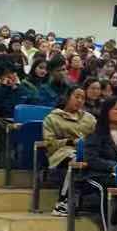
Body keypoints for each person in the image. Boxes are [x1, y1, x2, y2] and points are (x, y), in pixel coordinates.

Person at [42, 86, 97, 217]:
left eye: (83, 98)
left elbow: (99, 136)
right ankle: (62, 202)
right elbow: (49, 143)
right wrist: (69, 141)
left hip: (87, 151)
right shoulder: (52, 118)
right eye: (76, 97)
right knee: (75, 158)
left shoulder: (89, 118)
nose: (80, 100)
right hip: (62, 153)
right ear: (67, 97)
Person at [81, 97, 117, 216]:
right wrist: (114, 166)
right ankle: (107, 225)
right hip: (97, 174)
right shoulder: (96, 134)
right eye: (116, 109)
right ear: (106, 111)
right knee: (107, 186)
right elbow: (91, 159)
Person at [0, 56, 35, 169]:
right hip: (6, 120)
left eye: (12, 73)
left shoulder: (25, 88)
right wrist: (5, 88)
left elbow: (30, 103)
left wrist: (17, 88)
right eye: (6, 75)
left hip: (24, 122)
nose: (10, 77)